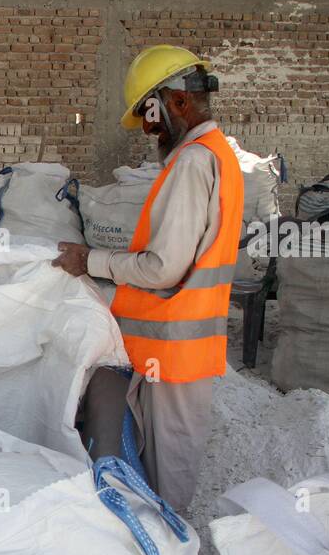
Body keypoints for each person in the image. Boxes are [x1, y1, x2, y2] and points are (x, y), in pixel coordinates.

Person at [57, 46, 244, 511]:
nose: (147, 126)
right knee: (166, 455)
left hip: (175, 344)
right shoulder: (213, 155)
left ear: (178, 101)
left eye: (151, 112)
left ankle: (170, 550)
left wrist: (93, 262)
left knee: (170, 466)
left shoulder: (193, 162)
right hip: (180, 342)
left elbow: (164, 267)